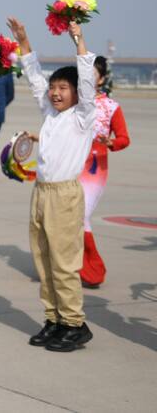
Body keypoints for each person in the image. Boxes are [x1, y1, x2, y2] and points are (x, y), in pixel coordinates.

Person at [6, 16, 97, 352]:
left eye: (63, 88)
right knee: (43, 259)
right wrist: (23, 41)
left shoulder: (84, 116)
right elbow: (33, 78)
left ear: (76, 93)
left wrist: (79, 41)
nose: (56, 93)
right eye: (54, 88)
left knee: (63, 262)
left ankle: (74, 323)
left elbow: (87, 82)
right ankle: (54, 318)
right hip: (41, 193)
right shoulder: (51, 115)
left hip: (64, 196)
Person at [79, 56, 131, 288]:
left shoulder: (111, 106)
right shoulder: (73, 102)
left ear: (101, 79)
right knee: (68, 216)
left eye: (92, 74)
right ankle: (70, 264)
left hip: (94, 168)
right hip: (69, 165)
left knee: (82, 216)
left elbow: (123, 138)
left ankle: (93, 269)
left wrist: (111, 143)